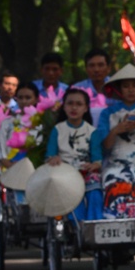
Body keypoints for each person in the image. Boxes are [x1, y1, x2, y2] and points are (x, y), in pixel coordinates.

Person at [93, 63, 135, 219]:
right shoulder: (107, 114)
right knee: (114, 181)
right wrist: (117, 130)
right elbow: (103, 148)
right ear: (118, 89)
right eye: (126, 86)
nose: (131, 90)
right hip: (114, 165)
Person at [43, 88, 101, 219]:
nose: (74, 107)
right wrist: (54, 159)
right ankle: (76, 227)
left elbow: (97, 159)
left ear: (86, 108)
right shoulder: (57, 130)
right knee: (72, 197)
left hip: (86, 173)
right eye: (70, 103)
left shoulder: (92, 131)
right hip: (64, 174)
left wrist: (94, 165)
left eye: (79, 104)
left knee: (95, 193)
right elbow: (49, 156)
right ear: (63, 107)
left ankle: (93, 226)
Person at [72, 48, 112, 116]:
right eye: (92, 65)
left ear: (108, 68)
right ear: (86, 69)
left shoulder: (118, 87)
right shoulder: (77, 89)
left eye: (101, 65)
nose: (96, 70)